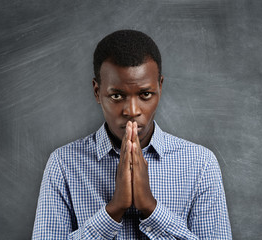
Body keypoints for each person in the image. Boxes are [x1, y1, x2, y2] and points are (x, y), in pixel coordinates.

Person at [32, 30, 232, 239]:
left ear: (160, 87)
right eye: (117, 95)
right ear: (97, 91)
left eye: (145, 94)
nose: (132, 110)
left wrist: (151, 208)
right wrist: (114, 209)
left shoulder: (200, 163)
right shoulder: (64, 164)